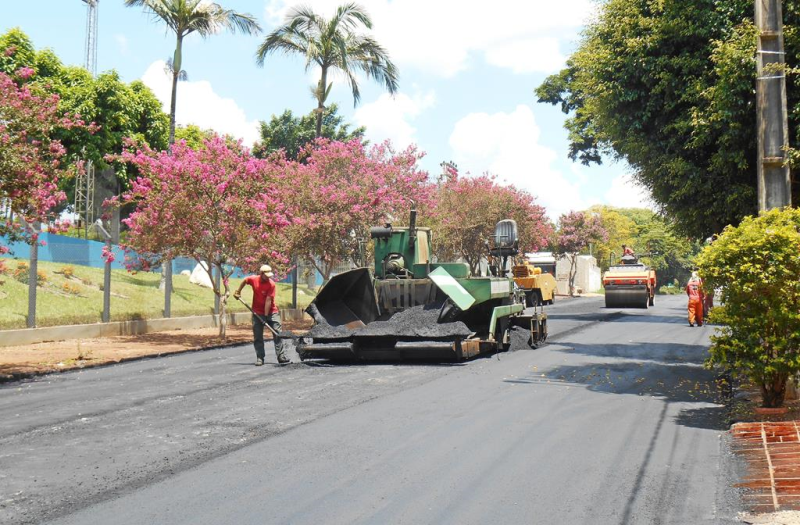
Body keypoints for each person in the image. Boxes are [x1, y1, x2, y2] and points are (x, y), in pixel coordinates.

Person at [233, 264, 288, 366]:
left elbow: (268, 301)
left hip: (271, 312)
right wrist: (238, 291)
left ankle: (281, 356)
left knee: (278, 333)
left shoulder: (271, 284)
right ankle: (260, 358)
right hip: (257, 312)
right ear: (261, 273)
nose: (268, 278)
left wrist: (265, 317)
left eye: (269, 276)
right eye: (266, 276)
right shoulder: (254, 279)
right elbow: (245, 280)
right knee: (258, 336)